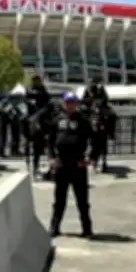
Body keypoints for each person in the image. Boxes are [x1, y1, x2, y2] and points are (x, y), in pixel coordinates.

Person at [47, 92, 94, 238]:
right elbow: (50, 140)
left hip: (78, 163)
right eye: (68, 102)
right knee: (59, 199)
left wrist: (90, 157)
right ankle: (54, 227)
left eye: (73, 102)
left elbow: (94, 140)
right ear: (64, 103)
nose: (70, 105)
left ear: (77, 104)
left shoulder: (83, 121)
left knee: (82, 200)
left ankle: (87, 229)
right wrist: (51, 157)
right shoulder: (57, 120)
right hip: (61, 163)